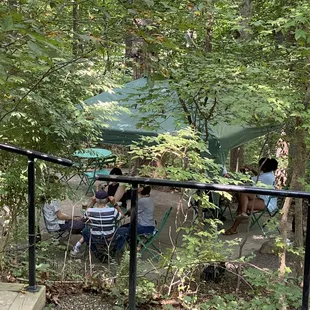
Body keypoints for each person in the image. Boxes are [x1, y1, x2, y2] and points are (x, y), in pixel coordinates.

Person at [224, 158, 278, 235]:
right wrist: (252, 170)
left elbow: (247, 180)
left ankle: (235, 225)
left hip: (267, 202)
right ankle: (243, 213)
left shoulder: (266, 177)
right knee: (243, 193)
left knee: (243, 204)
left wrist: (237, 175)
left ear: (264, 167)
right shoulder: (269, 173)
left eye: (260, 166)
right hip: (263, 197)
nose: (259, 167)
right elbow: (258, 176)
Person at [71, 190, 123, 258]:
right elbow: (122, 215)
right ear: (107, 199)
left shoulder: (90, 211)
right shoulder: (113, 211)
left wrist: (92, 202)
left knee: (85, 231)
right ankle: (114, 251)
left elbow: (84, 217)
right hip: (110, 237)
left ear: (96, 200)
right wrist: (114, 204)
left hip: (95, 237)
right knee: (122, 230)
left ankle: (94, 251)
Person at [115, 186, 155, 252]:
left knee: (123, 230)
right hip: (148, 225)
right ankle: (132, 245)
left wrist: (116, 206)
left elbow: (131, 211)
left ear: (142, 189)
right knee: (124, 226)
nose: (137, 187)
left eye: (139, 186)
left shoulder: (142, 201)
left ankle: (116, 250)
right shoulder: (149, 198)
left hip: (144, 227)